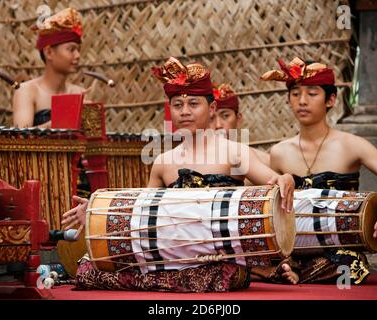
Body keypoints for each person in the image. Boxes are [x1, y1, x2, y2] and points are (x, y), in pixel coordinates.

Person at [61, 57, 295, 292]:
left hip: (219, 261)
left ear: (211, 108)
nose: (185, 112)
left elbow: (272, 181)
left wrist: (285, 179)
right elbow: (141, 220)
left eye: (194, 104)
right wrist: (94, 216)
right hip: (173, 256)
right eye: (177, 105)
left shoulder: (233, 153)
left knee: (217, 275)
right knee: (89, 269)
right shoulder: (163, 162)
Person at [254, 57, 377, 284]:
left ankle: (296, 275)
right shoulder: (279, 151)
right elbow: (271, 206)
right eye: (295, 93)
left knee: (351, 265)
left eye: (312, 94)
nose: (302, 101)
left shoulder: (352, 145)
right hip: (294, 246)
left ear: (330, 99)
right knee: (254, 260)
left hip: (337, 248)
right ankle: (291, 270)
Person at [12, 7, 86, 128]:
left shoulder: (80, 93)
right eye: (71, 49)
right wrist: (62, 121)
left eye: (78, 50)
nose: (78, 55)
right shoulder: (27, 91)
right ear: (49, 53)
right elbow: (20, 140)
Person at [210, 83, 270, 184]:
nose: (218, 125)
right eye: (211, 118)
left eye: (225, 116)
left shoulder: (265, 161)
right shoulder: (196, 164)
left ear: (238, 119)